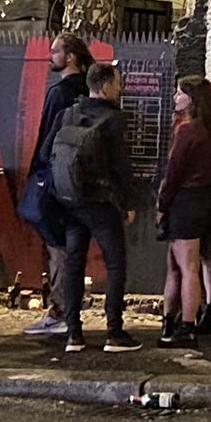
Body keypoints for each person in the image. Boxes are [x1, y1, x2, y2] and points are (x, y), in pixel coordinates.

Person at [48, 59, 143, 353]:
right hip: (102, 203)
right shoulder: (114, 120)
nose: (121, 87)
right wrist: (128, 202)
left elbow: (46, 152)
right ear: (104, 87)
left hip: (70, 199)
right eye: (117, 82)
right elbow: (120, 167)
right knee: (115, 263)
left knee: (74, 264)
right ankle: (114, 333)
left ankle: (73, 334)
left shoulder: (68, 114)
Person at [21, 36, 93, 338]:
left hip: (54, 176)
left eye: (55, 51)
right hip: (81, 179)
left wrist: (38, 170)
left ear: (71, 57)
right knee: (72, 244)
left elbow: (47, 135)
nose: (49, 56)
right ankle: (68, 306)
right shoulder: (88, 91)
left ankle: (60, 308)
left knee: (57, 245)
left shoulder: (59, 93)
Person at [157, 75, 211, 345]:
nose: (175, 98)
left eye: (180, 93)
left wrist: (162, 205)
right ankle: (175, 322)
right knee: (185, 265)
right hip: (204, 201)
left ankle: (184, 326)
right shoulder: (210, 129)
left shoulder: (188, 130)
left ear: (192, 99)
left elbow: (174, 172)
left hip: (185, 202)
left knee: (184, 268)